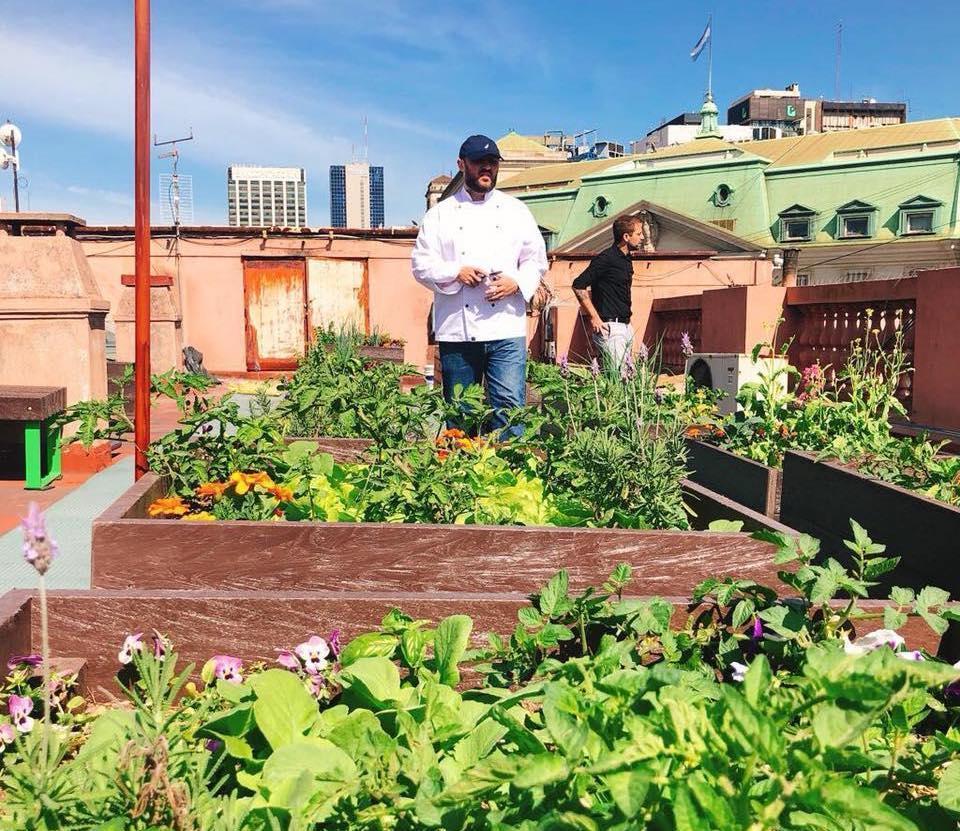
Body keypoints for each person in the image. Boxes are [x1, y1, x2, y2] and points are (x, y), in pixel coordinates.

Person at [412, 134, 548, 437]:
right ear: (462, 165)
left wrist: (517, 283)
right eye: (478, 162)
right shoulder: (439, 216)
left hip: (506, 329)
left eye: (492, 163)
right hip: (457, 332)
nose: (486, 168)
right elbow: (420, 265)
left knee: (509, 410)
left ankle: (513, 476)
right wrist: (456, 272)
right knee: (461, 413)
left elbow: (536, 260)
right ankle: (462, 478)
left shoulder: (516, 211)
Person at [572, 214, 644, 369]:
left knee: (624, 380)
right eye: (639, 234)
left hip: (625, 327)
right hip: (610, 328)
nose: (642, 237)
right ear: (626, 236)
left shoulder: (627, 260)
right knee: (619, 378)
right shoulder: (606, 258)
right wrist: (595, 318)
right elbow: (578, 285)